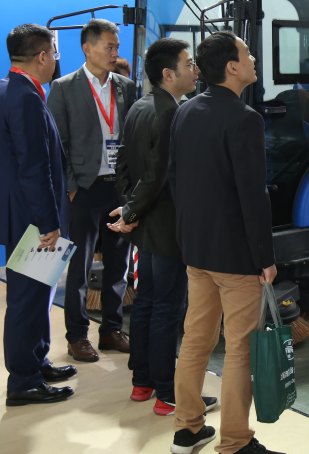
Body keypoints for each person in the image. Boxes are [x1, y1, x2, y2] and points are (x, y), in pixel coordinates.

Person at [168, 31, 282, 454]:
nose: (253, 59)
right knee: (238, 349)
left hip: (196, 249)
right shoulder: (244, 118)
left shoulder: (185, 110)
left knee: (195, 339)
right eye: (247, 53)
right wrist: (265, 257)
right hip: (235, 256)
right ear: (232, 67)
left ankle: (187, 429)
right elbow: (253, 195)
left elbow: (175, 179)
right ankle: (235, 442)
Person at [108, 38, 214, 416]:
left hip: (147, 225)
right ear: (169, 74)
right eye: (189, 64)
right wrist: (131, 211)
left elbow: (122, 163)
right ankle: (169, 393)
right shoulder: (173, 113)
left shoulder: (140, 105)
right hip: (167, 226)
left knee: (147, 303)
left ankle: (143, 382)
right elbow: (158, 174)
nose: (195, 70)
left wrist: (130, 208)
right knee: (167, 309)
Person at [0, 24, 76, 406]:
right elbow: (34, 167)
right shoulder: (26, 98)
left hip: (16, 211)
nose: (56, 61)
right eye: (54, 54)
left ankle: (36, 360)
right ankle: (23, 380)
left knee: (37, 293)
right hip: (30, 217)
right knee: (26, 298)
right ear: (43, 56)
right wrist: (49, 223)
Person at [47, 18, 136, 363]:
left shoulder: (125, 87)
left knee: (118, 265)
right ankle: (77, 336)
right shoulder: (63, 88)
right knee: (80, 267)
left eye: (117, 47)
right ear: (87, 48)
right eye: (109, 46)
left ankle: (111, 330)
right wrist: (71, 187)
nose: (115, 53)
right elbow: (58, 144)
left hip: (119, 189)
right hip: (84, 189)